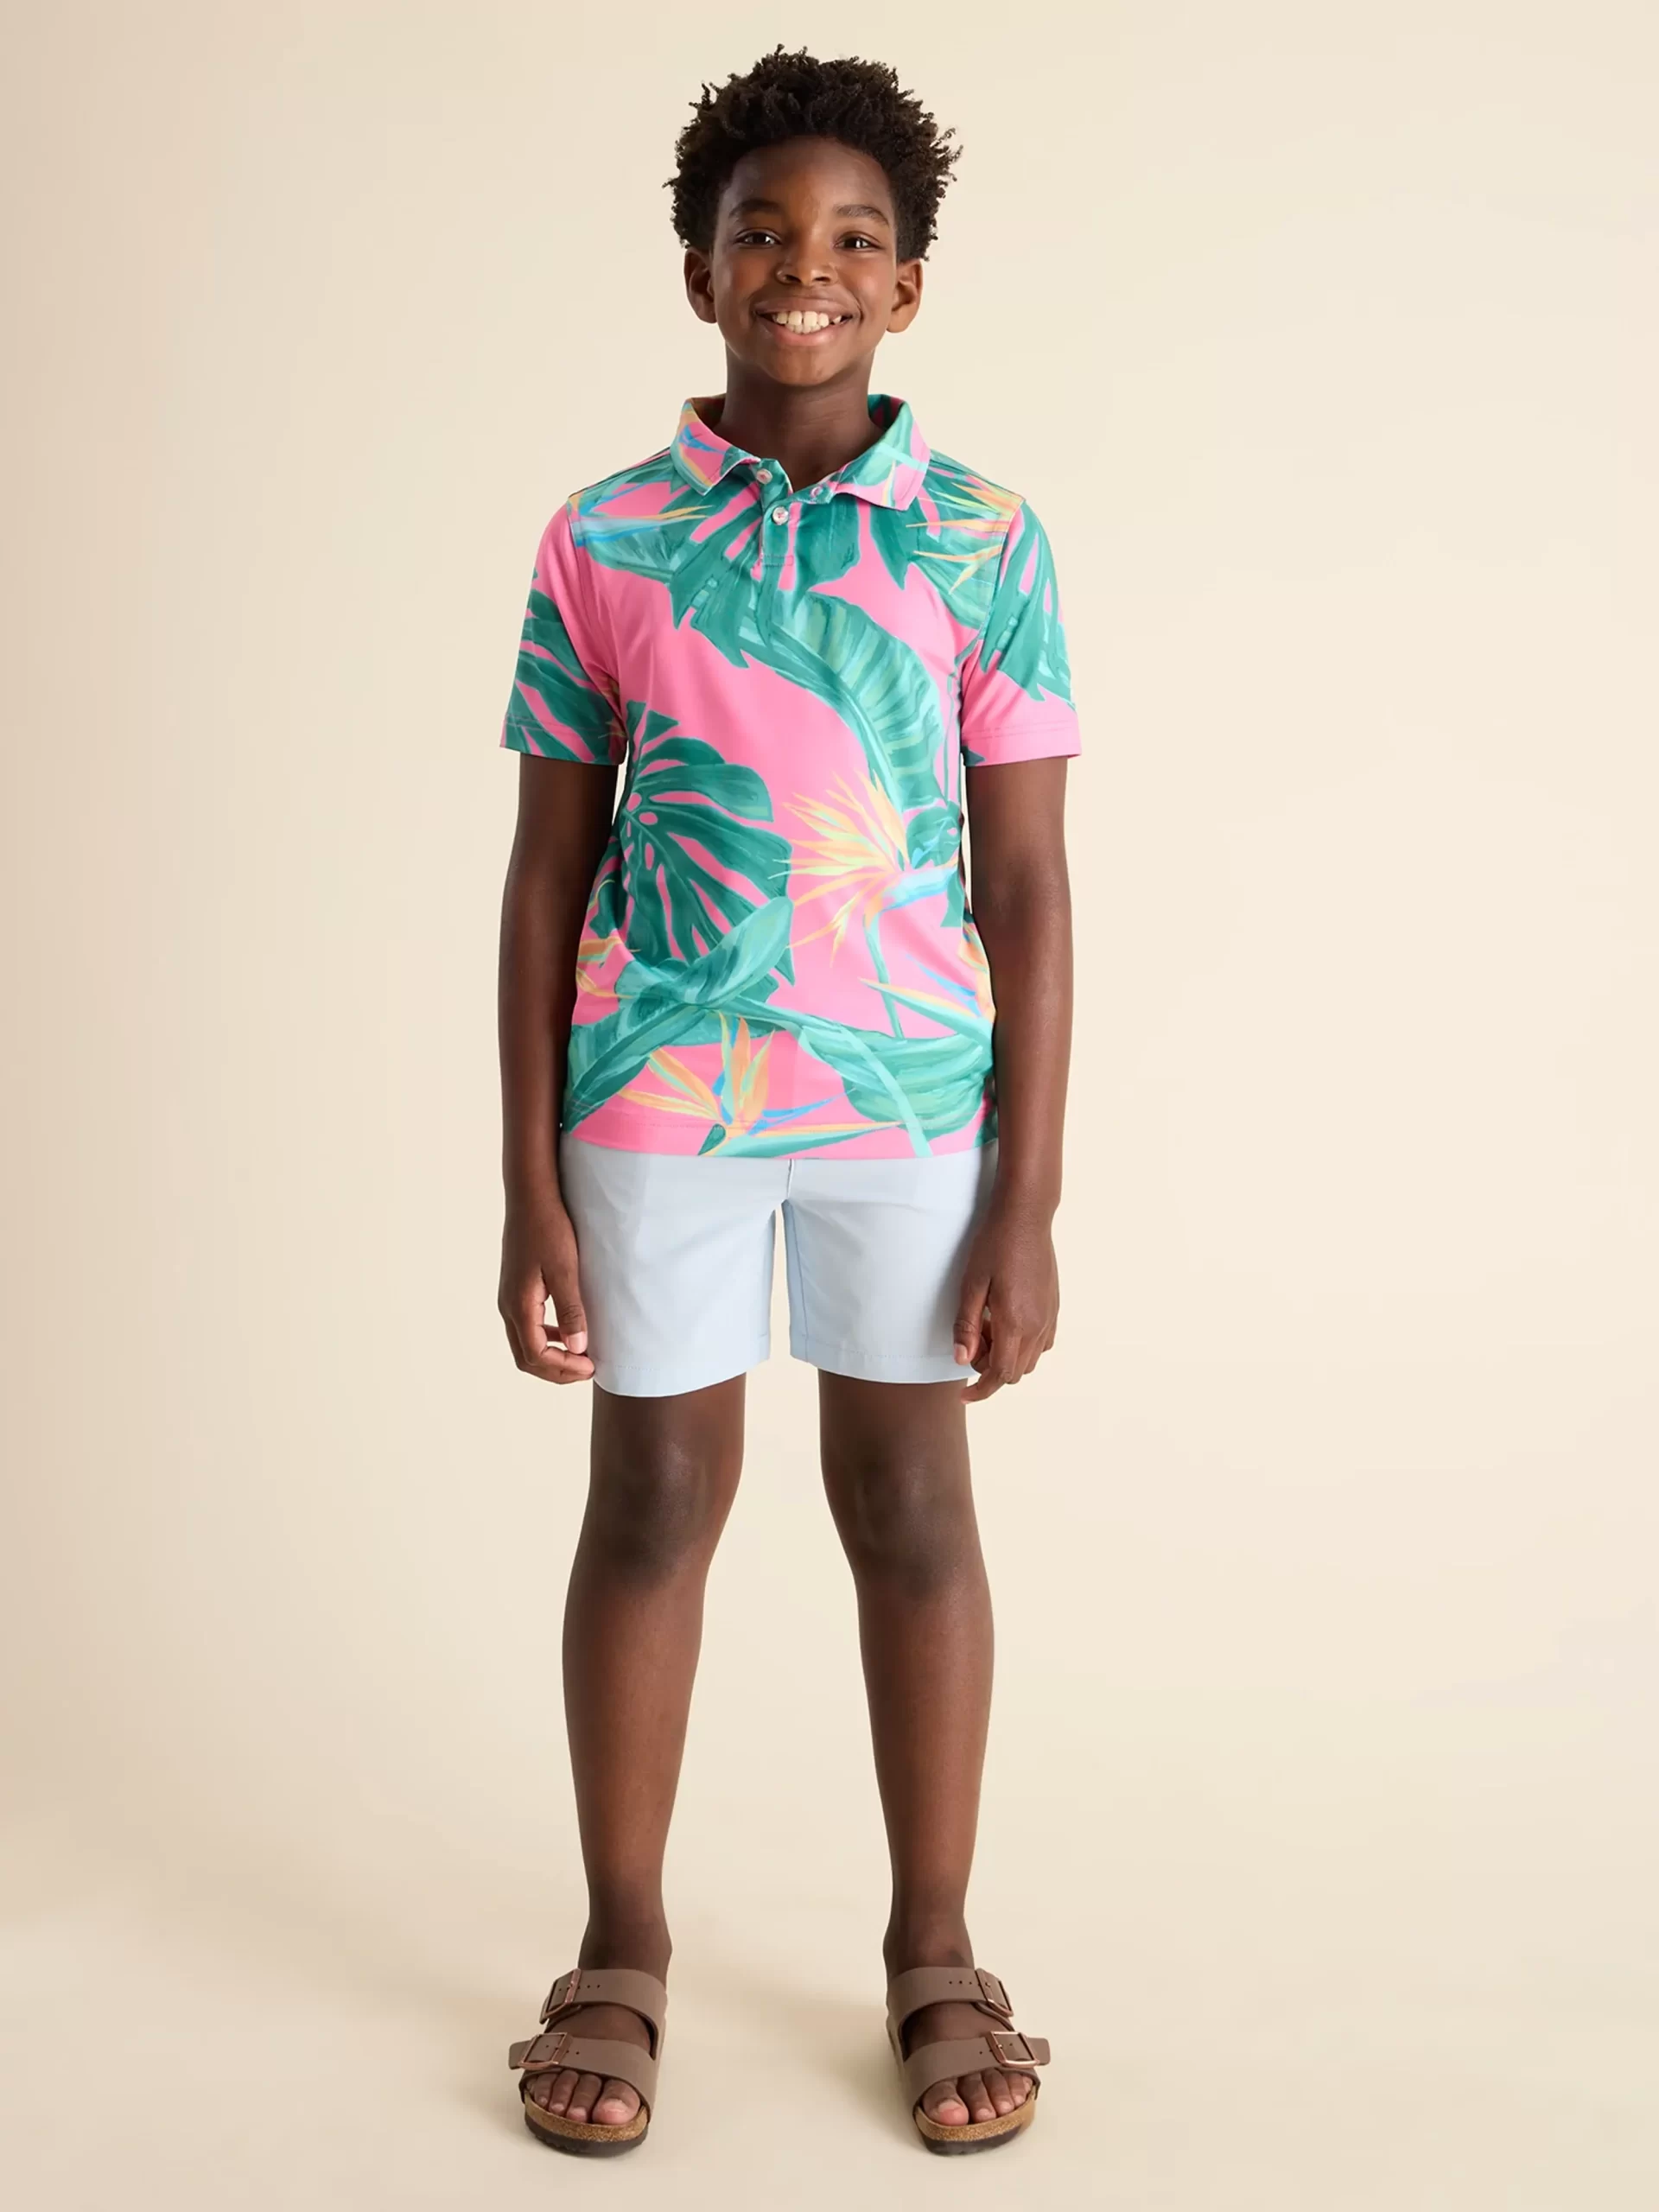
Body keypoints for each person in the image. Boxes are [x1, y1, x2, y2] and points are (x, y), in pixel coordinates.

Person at [494, 45, 1077, 2158]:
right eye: (760, 232)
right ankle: (620, 1944)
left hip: (908, 1103)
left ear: (906, 286)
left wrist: (1027, 1195)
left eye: (850, 239)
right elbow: (547, 869)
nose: (801, 267)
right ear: (699, 271)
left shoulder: (985, 539)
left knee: (910, 1509)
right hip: (656, 1094)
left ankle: (937, 1945)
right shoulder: (606, 536)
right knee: (652, 1502)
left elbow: (1029, 883)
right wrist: (526, 1183)